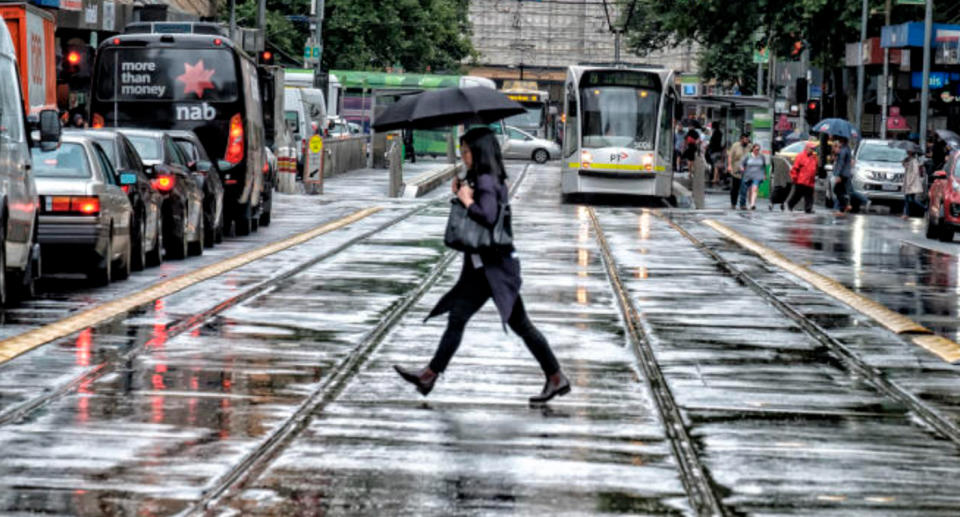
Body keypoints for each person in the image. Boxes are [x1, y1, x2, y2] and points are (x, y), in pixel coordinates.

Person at [394, 127, 570, 404]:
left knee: (518, 324)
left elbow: (487, 217)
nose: (463, 156)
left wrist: (466, 200)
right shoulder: (485, 179)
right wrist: (462, 193)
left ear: (479, 152)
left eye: (466, 151)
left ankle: (556, 376)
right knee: (462, 319)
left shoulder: (487, 180)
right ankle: (429, 375)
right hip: (484, 270)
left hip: (494, 270)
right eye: (461, 151)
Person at [787, 142, 818, 213]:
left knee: (809, 196)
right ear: (807, 148)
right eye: (811, 148)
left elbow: (815, 167)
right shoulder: (800, 156)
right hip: (801, 180)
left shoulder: (814, 157)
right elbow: (795, 168)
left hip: (810, 181)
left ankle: (808, 208)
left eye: (813, 149)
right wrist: (794, 178)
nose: (812, 150)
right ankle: (790, 205)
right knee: (797, 195)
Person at [739, 143, 769, 210]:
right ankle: (749, 203)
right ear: (753, 149)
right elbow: (741, 164)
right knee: (749, 190)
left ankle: (752, 204)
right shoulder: (748, 156)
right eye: (756, 149)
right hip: (748, 175)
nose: (757, 151)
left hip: (758, 175)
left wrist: (765, 174)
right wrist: (742, 168)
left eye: (758, 150)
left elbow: (764, 166)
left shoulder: (762, 157)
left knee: (754, 189)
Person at [727, 133, 751, 209]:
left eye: (748, 139)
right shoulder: (735, 146)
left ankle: (742, 204)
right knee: (735, 188)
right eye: (745, 139)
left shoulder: (750, 146)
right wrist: (729, 165)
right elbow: (730, 156)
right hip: (736, 170)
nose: (747, 141)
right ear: (741, 139)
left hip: (745, 170)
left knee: (744, 188)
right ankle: (733, 203)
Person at [902, 147, 925, 219]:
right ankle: (906, 214)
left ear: (911, 152)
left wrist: (910, 183)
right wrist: (904, 161)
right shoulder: (909, 160)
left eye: (908, 150)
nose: (907, 151)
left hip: (911, 183)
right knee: (908, 199)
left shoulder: (914, 161)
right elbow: (905, 167)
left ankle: (925, 208)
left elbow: (915, 172)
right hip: (908, 182)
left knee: (910, 199)